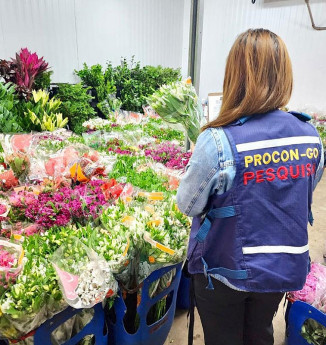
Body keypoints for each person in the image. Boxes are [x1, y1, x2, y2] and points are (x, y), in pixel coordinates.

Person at [176, 28, 324, 345]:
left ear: (234, 76)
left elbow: (188, 204)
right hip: (282, 267)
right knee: (260, 332)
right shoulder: (309, 135)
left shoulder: (218, 139)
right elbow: (305, 189)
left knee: (223, 337)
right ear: (283, 73)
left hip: (224, 269)